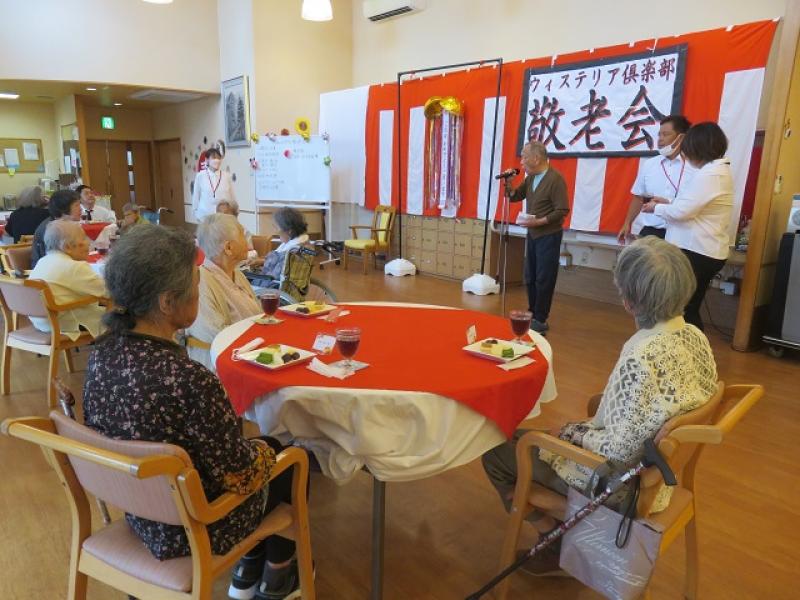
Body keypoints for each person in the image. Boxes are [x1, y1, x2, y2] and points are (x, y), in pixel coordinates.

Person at [82, 225, 307, 599]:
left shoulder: (101, 355)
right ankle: (278, 577)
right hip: (190, 524)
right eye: (196, 285)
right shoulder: (189, 379)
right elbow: (240, 476)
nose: (200, 292)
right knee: (291, 457)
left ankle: (249, 569)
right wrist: (274, 451)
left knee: (263, 448)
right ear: (168, 302)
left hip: (138, 508)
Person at [482, 236, 718, 575]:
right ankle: (567, 522)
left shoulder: (641, 355)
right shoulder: (696, 337)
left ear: (629, 301)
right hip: (661, 474)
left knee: (496, 450)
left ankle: (557, 534)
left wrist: (568, 431)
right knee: (529, 438)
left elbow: (618, 451)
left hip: (624, 487)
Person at [641, 122, 733, 331]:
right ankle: (689, 354)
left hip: (697, 251)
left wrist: (656, 208)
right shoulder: (714, 171)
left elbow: (682, 213)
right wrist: (668, 203)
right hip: (702, 250)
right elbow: (690, 207)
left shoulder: (710, 175)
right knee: (686, 307)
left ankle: (691, 355)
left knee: (683, 309)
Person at [508, 141, 570, 334]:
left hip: (548, 235)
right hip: (533, 234)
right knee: (530, 276)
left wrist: (539, 221)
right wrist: (508, 182)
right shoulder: (530, 178)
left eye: (525, 156)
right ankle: (532, 311)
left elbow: (562, 210)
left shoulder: (555, 179)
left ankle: (541, 318)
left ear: (536, 158)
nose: (522, 161)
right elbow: (514, 196)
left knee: (545, 277)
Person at [185, 214, 261, 370]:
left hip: (252, 353)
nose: (247, 238)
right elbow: (216, 334)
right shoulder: (201, 281)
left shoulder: (236, 273)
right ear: (228, 248)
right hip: (222, 365)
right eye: (242, 234)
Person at [618, 115, 695, 242]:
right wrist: (627, 223)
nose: (660, 139)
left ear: (681, 137)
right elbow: (638, 197)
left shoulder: (693, 166)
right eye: (659, 135)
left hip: (682, 233)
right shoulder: (650, 164)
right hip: (651, 232)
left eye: (666, 134)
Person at [28, 220, 107, 340]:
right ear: (67, 247)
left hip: (42, 322)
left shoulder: (43, 261)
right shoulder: (74, 267)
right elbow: (109, 291)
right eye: (84, 238)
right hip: (65, 323)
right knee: (127, 314)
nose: (89, 244)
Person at [31, 189, 82, 267]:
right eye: (76, 205)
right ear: (64, 208)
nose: (81, 209)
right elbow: (55, 259)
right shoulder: (51, 229)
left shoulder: (64, 225)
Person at [258, 207, 309, 284]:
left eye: (277, 227)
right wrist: (258, 261)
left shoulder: (288, 252)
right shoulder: (299, 243)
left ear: (289, 231)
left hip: (270, 286)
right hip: (288, 285)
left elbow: (272, 274)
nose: (275, 231)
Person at [192, 147, 236, 222]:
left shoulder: (226, 176)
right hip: (205, 215)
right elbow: (196, 196)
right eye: (214, 158)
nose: (217, 160)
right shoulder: (200, 176)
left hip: (224, 216)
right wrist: (196, 212)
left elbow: (232, 196)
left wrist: (234, 212)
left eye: (219, 158)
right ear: (207, 160)